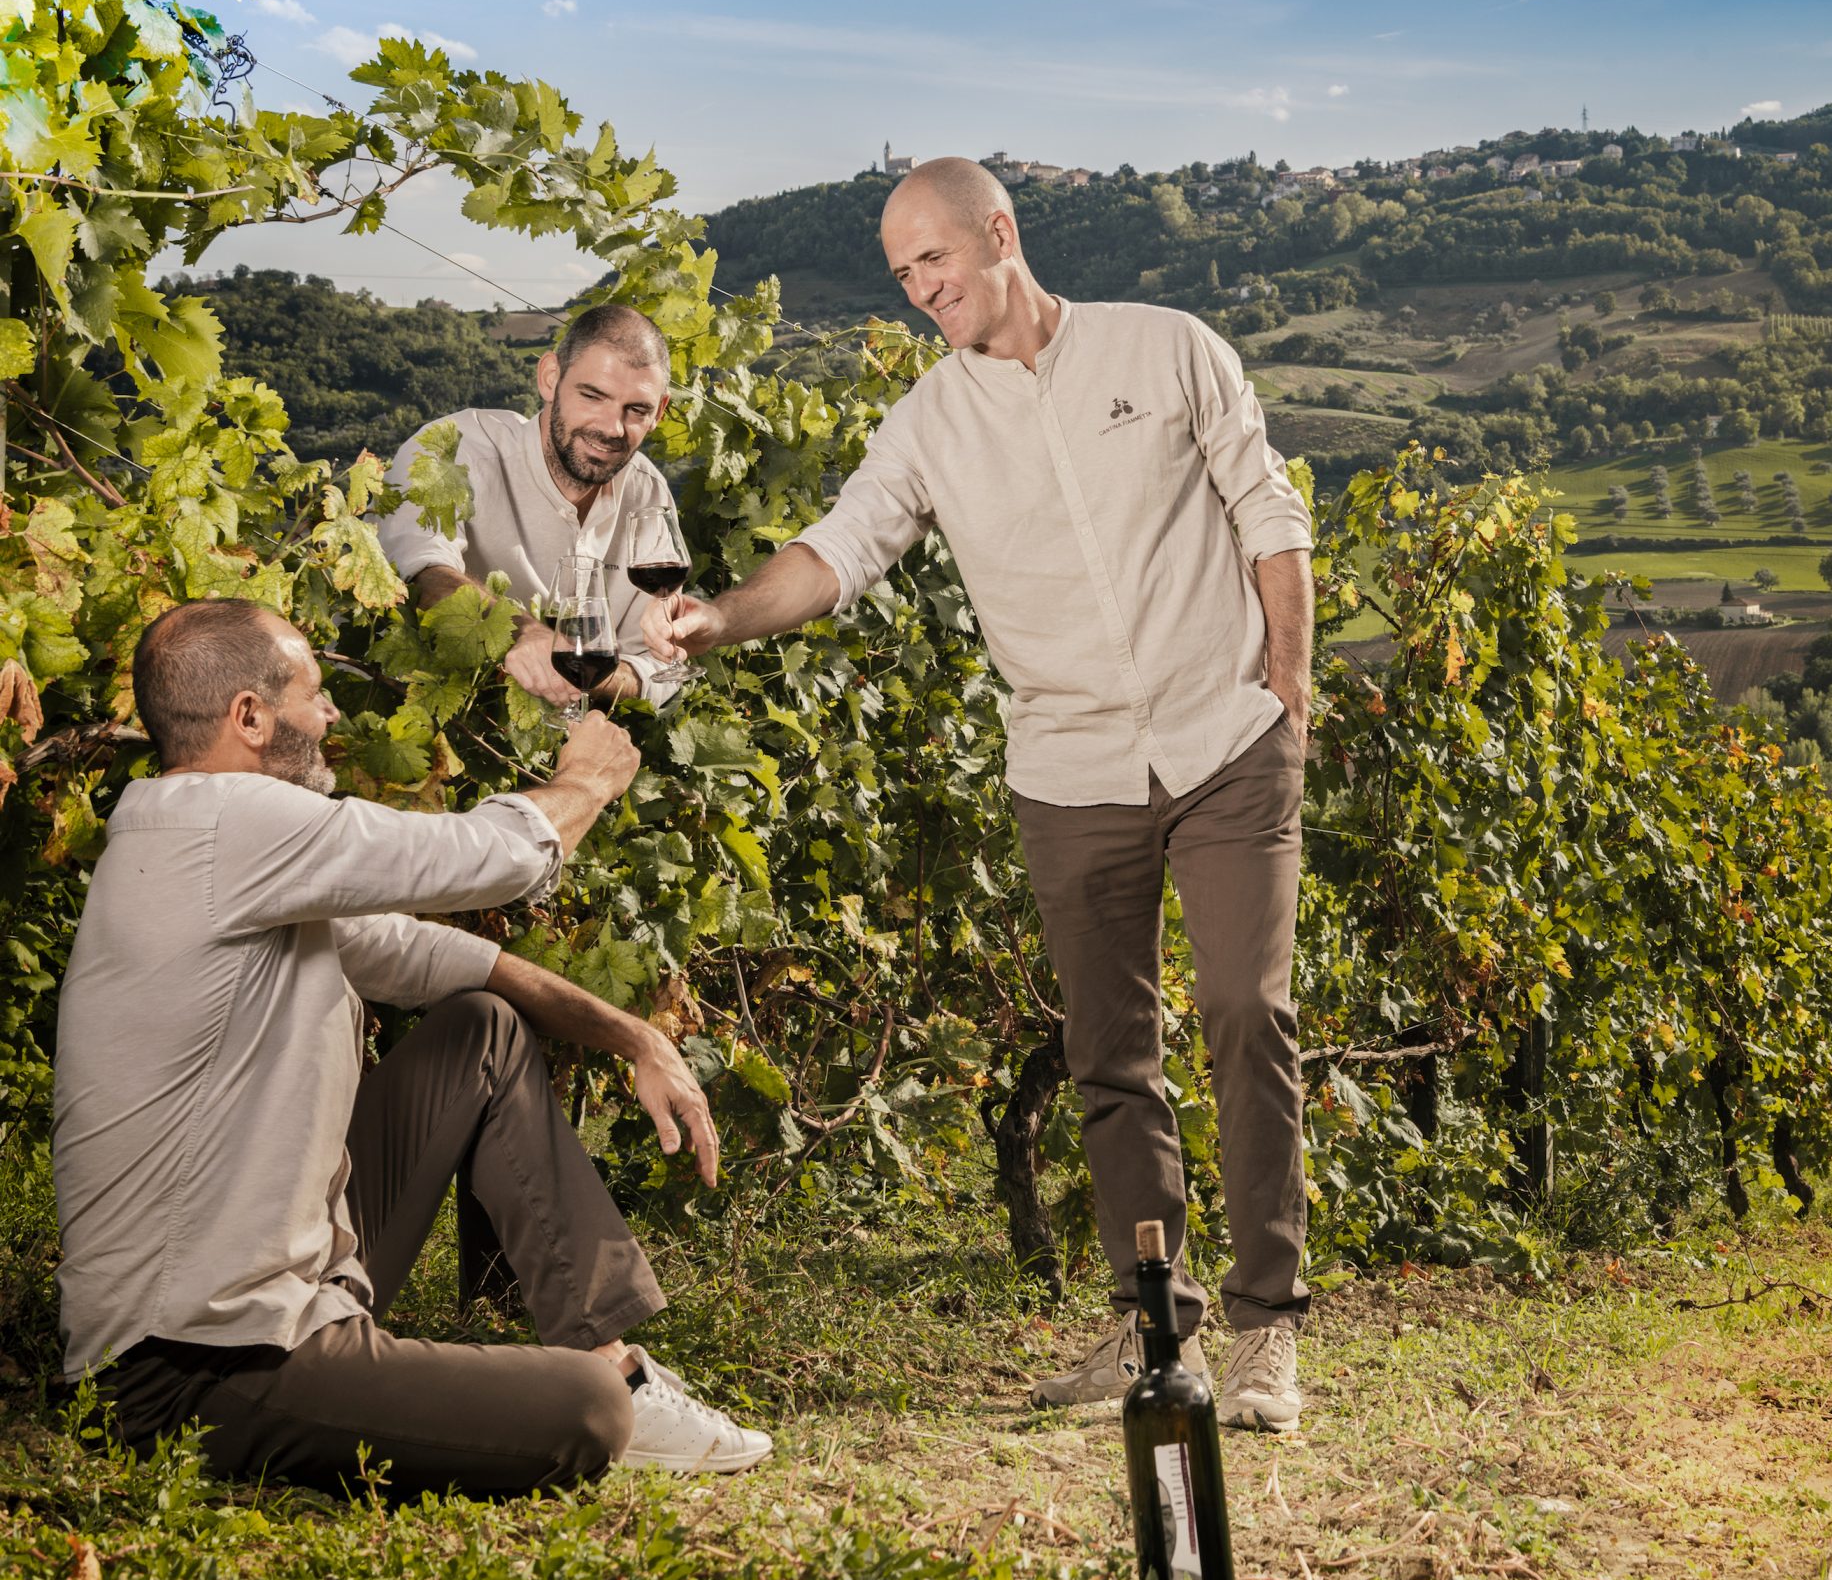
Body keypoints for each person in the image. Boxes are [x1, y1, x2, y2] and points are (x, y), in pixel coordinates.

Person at [645, 158, 1316, 1432]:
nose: (919, 292)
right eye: (902, 276)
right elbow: (837, 552)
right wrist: (718, 620)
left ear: (998, 234)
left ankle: (1267, 1328)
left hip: (1225, 740)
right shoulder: (930, 423)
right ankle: (1148, 1318)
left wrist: (1286, 694)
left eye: (932, 262)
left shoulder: (1168, 348)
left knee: (1245, 1011)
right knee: (1110, 1058)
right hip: (1069, 773)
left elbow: (1268, 514)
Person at [52, 598, 771, 1496]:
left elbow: (435, 955)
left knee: (480, 1029)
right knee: (588, 1413)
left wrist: (632, 1036)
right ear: (248, 717)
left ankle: (609, 1350)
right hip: (188, 1368)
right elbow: (486, 856)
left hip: (285, 1299)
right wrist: (584, 782)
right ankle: (607, 1385)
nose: (331, 717)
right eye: (315, 696)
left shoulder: (204, 844)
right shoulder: (227, 820)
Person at [372, 304, 692, 711]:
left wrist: (589, 677)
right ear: (550, 378)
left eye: (637, 410)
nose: (612, 428)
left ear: (659, 413)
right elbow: (416, 573)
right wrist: (525, 633)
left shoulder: (648, 495)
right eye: (593, 396)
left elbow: (657, 665)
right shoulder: (452, 450)